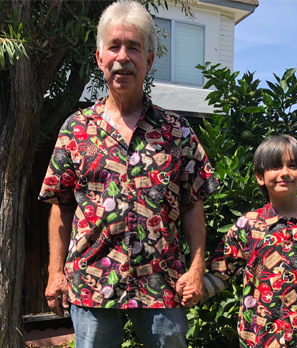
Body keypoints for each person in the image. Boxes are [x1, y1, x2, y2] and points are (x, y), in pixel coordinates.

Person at [38, 1, 218, 347]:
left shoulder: (176, 130)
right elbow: (60, 204)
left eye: (134, 48)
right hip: (91, 282)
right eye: (114, 46)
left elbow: (193, 203)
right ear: (100, 57)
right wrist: (54, 272)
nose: (123, 57)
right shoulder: (75, 129)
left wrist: (196, 269)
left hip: (162, 285)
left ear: (149, 60)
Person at [179, 135, 297, 348]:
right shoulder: (247, 226)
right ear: (260, 176)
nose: (285, 172)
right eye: (276, 166)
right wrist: (194, 292)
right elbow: (222, 272)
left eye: (293, 166)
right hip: (257, 339)